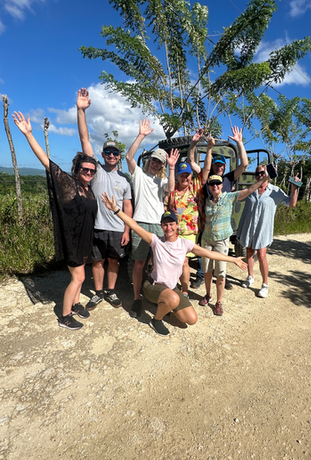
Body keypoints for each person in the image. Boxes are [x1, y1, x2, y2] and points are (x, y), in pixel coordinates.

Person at [101, 194, 248, 336]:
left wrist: (233, 259)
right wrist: (115, 209)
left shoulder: (185, 244)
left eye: (171, 224)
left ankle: (165, 303)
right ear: (161, 226)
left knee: (191, 319)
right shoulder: (156, 241)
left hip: (171, 288)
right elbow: (134, 225)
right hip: (153, 285)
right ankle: (156, 319)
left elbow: (209, 254)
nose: (168, 227)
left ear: (177, 225)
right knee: (172, 299)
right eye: (165, 224)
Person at [13, 111, 97, 330]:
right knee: (77, 278)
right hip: (72, 240)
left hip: (84, 240)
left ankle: (76, 304)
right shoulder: (69, 184)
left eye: (91, 170)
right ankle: (65, 317)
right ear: (77, 170)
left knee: (82, 275)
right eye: (85, 169)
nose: (88, 172)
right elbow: (47, 162)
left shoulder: (89, 190)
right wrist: (29, 134)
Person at [76, 88, 133, 310]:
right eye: (107, 153)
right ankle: (98, 293)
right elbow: (84, 138)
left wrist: (127, 230)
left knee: (114, 261)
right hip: (97, 226)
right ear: (102, 155)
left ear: (119, 157)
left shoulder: (125, 180)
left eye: (114, 153)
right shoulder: (95, 171)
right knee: (97, 261)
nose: (111, 156)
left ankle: (111, 291)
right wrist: (81, 111)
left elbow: (127, 206)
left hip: (118, 228)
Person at [125, 119, 179, 318]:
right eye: (154, 160)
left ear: (162, 165)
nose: (155, 163)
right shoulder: (137, 174)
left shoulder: (162, 180)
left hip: (158, 225)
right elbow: (129, 156)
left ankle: (160, 298)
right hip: (140, 223)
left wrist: (172, 167)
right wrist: (141, 135)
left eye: (160, 162)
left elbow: (171, 189)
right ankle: (137, 299)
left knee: (160, 264)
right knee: (139, 264)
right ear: (149, 160)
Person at [199, 168, 270, 316]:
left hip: (221, 241)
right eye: (212, 184)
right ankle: (208, 294)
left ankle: (219, 302)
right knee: (207, 270)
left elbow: (250, 190)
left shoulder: (230, 197)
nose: (215, 186)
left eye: (217, 183)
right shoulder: (207, 200)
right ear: (210, 186)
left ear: (221, 185)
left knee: (220, 273)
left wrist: (263, 179)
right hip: (206, 239)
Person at [187, 126, 249, 290]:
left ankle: (222, 276)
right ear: (212, 165)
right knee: (203, 252)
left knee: (221, 253)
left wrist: (239, 143)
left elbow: (244, 164)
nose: (220, 167)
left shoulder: (229, 178)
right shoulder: (206, 176)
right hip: (205, 220)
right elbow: (191, 161)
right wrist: (195, 144)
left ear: (225, 166)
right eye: (217, 164)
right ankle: (201, 275)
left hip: (222, 223)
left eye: (222, 164)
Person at [237, 166, 301, 298]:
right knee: (249, 251)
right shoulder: (251, 189)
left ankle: (265, 284)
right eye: (257, 173)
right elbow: (237, 196)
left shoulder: (275, 191)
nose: (260, 175)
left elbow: (291, 203)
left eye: (263, 172)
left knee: (261, 255)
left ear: (268, 174)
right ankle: (250, 277)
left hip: (263, 229)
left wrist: (294, 188)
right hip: (250, 227)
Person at [164, 129, 213, 297]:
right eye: (182, 175)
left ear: (191, 177)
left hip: (190, 233)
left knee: (184, 261)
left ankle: (184, 290)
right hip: (174, 232)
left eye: (187, 175)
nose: (185, 178)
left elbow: (206, 168)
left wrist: (207, 148)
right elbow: (167, 207)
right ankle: (171, 286)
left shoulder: (196, 187)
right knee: (174, 261)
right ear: (178, 176)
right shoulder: (173, 190)